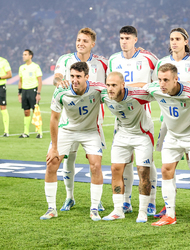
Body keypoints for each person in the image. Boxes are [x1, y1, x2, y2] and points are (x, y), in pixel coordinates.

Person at [133, 63, 190, 229]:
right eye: (159, 79)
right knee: (166, 170)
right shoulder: (157, 89)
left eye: (166, 80)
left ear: (176, 79)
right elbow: (141, 86)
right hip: (172, 136)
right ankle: (170, 215)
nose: (161, 83)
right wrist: (120, 85)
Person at [40, 62, 106, 221]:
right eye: (72, 76)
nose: (74, 80)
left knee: (96, 166)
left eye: (78, 77)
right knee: (52, 163)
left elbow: (114, 93)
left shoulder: (97, 88)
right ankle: (51, 208)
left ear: (87, 77)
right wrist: (54, 147)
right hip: (67, 130)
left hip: (90, 131)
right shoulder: (61, 90)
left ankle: (94, 208)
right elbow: (54, 119)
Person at [53, 27, 108, 212]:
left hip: (94, 119)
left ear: (92, 44)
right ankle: (69, 197)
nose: (80, 43)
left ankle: (96, 200)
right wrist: (60, 81)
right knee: (69, 158)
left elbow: (108, 84)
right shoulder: (65, 59)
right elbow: (58, 76)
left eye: (85, 41)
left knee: (96, 162)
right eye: (78, 40)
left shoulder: (102, 63)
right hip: (70, 119)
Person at [106, 25, 158, 216]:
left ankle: (151, 201)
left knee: (147, 163)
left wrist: (129, 87)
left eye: (127, 38)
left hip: (143, 113)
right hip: (121, 118)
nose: (124, 41)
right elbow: (110, 85)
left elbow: (156, 83)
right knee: (124, 162)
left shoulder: (149, 59)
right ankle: (125, 201)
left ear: (135, 40)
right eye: (121, 38)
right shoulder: (113, 59)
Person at [152, 27, 190, 219]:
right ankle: (168, 207)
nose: (174, 42)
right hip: (169, 120)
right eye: (171, 38)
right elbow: (156, 87)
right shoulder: (162, 63)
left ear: (185, 42)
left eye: (178, 39)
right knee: (168, 166)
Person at [101, 72, 154, 223]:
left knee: (143, 172)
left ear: (123, 85)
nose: (110, 89)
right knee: (115, 169)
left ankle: (143, 212)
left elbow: (156, 91)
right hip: (122, 134)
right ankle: (118, 210)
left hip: (142, 134)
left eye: (114, 85)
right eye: (108, 85)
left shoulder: (137, 95)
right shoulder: (104, 95)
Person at [18, 49, 42, 138]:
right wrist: (19, 93)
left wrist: (38, 93)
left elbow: (40, 81)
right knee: (26, 111)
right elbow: (20, 81)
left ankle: (39, 132)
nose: (23, 56)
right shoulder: (21, 67)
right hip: (24, 91)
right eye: (23, 54)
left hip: (33, 90)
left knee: (35, 111)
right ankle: (26, 133)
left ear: (30, 56)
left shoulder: (36, 67)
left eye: (25, 54)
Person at [0, 56, 12, 137]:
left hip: (1, 87)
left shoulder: (3, 61)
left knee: (3, 107)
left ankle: (6, 131)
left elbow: (9, 74)